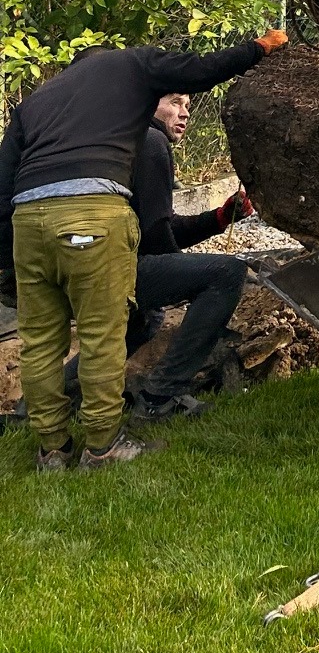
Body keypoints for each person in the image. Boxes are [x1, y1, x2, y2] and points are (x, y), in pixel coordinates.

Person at [0, 32, 285, 471]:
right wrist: (259, 49)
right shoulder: (131, 65)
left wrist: (7, 264)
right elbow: (203, 68)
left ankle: (52, 450)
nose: (183, 109)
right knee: (102, 334)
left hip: (30, 222)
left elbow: (3, 188)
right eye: (175, 101)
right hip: (92, 218)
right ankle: (104, 446)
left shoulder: (37, 101)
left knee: (39, 343)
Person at [124, 91, 257, 420]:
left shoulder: (125, 137)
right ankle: (161, 396)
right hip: (113, 267)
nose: (184, 113)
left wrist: (219, 219)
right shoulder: (152, 140)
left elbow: (158, 226)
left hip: (72, 260)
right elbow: (157, 235)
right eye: (174, 103)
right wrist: (184, 285)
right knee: (227, 273)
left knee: (145, 318)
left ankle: (55, 400)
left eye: (188, 106)